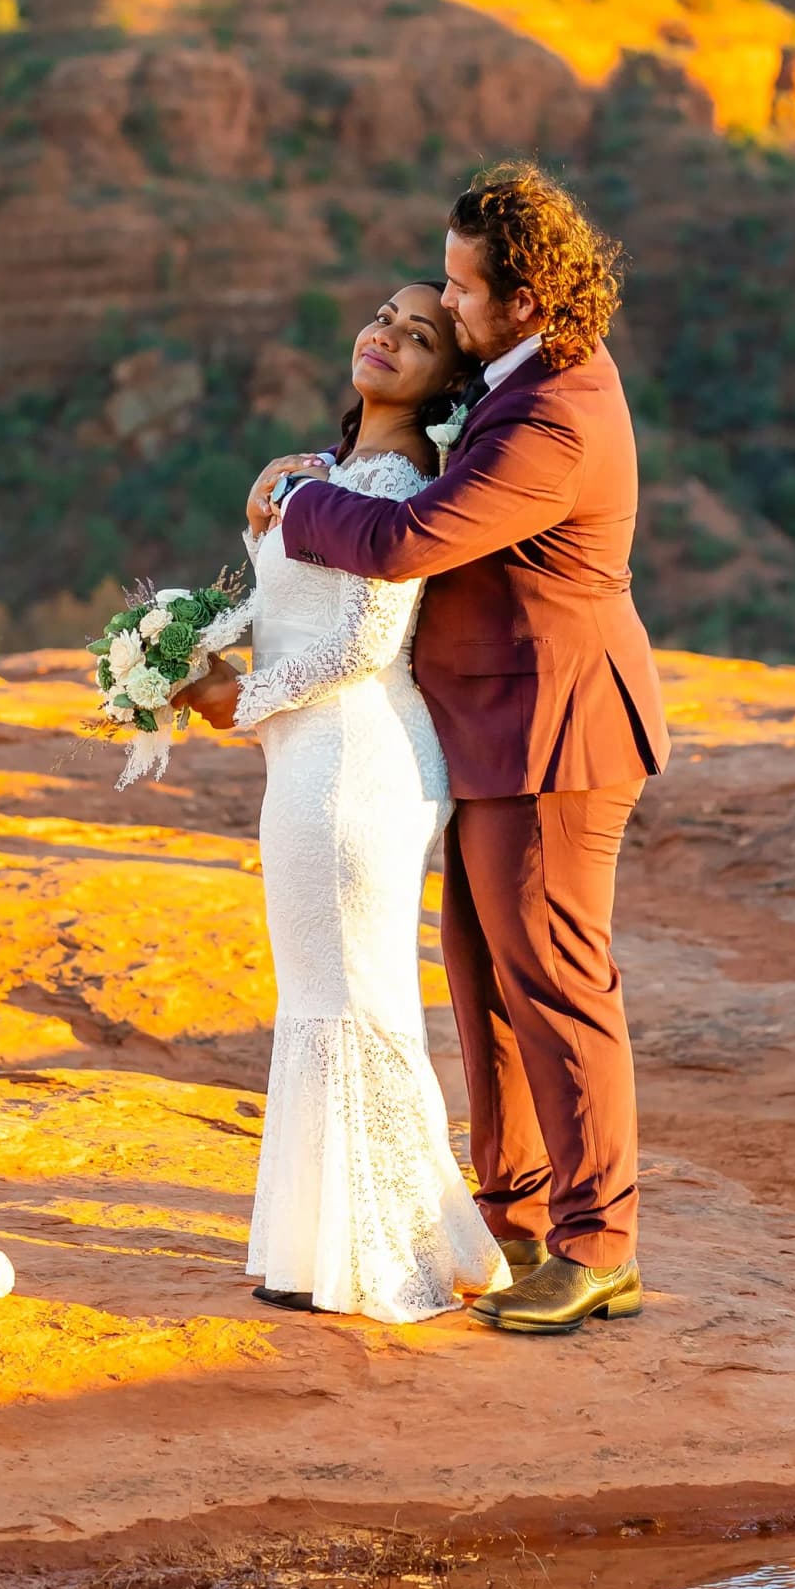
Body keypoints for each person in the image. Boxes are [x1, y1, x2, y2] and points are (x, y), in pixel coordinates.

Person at [245, 163, 668, 1336]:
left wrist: (297, 500)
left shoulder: (557, 416)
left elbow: (414, 538)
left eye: (461, 288)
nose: (447, 301)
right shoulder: (522, 376)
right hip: (488, 735)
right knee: (486, 987)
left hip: (558, 735)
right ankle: (516, 1218)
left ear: (525, 300)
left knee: (560, 983)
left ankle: (599, 1246)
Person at [182, 284, 507, 1322]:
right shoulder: (317, 474)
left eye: (420, 336)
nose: (386, 337)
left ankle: (388, 1254)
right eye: (382, 318)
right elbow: (282, 608)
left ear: (446, 380)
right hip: (311, 755)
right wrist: (176, 654)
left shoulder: (403, 479)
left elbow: (368, 641)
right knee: (322, 995)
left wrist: (242, 704)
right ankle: (321, 1248)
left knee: (354, 1000)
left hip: (356, 758)